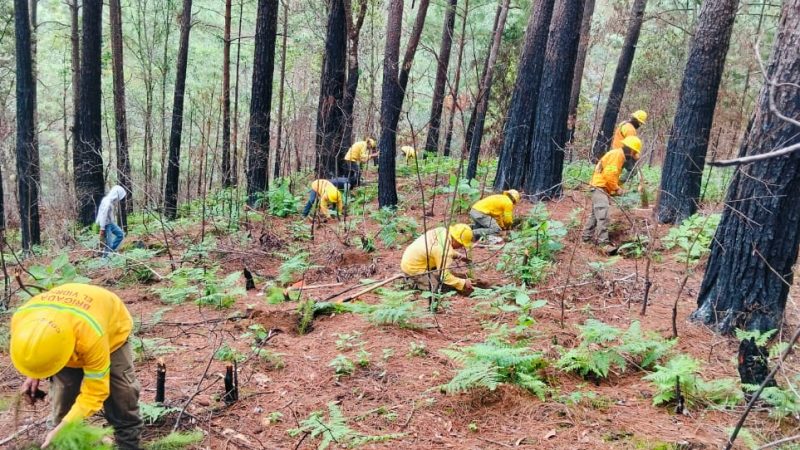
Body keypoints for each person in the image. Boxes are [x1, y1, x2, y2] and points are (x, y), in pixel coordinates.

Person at [10, 284, 142, 449]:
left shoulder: (91, 335)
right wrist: (34, 372)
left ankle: (128, 445)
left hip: (111, 334)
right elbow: (32, 346)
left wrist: (66, 425)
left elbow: (96, 391)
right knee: (63, 403)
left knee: (122, 397)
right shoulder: (22, 319)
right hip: (64, 333)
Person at [582, 136, 642, 253]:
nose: (633, 155)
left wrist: (616, 188)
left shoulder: (618, 155)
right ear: (630, 150)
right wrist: (616, 189)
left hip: (601, 187)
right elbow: (609, 176)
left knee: (596, 214)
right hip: (599, 186)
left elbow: (611, 176)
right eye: (634, 152)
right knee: (603, 213)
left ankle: (586, 238)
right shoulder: (617, 155)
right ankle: (603, 244)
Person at [400, 224, 474, 294]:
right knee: (437, 287)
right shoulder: (444, 251)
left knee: (443, 275)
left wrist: (458, 255)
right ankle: (411, 282)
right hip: (413, 268)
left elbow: (438, 249)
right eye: (461, 244)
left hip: (412, 258)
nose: (461, 247)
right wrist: (462, 283)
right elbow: (445, 277)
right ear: (456, 240)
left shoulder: (442, 231)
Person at [611, 110, 647, 181]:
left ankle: (610, 185)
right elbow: (630, 146)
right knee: (633, 171)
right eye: (640, 123)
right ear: (636, 121)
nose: (639, 125)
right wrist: (635, 156)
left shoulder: (624, 124)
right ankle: (617, 184)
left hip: (616, 151)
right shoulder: (630, 130)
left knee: (616, 171)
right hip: (624, 154)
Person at [96, 185, 127, 255]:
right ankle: (104, 260)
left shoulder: (111, 201)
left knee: (120, 234)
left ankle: (110, 251)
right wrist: (102, 228)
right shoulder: (107, 202)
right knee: (108, 244)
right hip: (106, 225)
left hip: (111, 223)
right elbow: (103, 215)